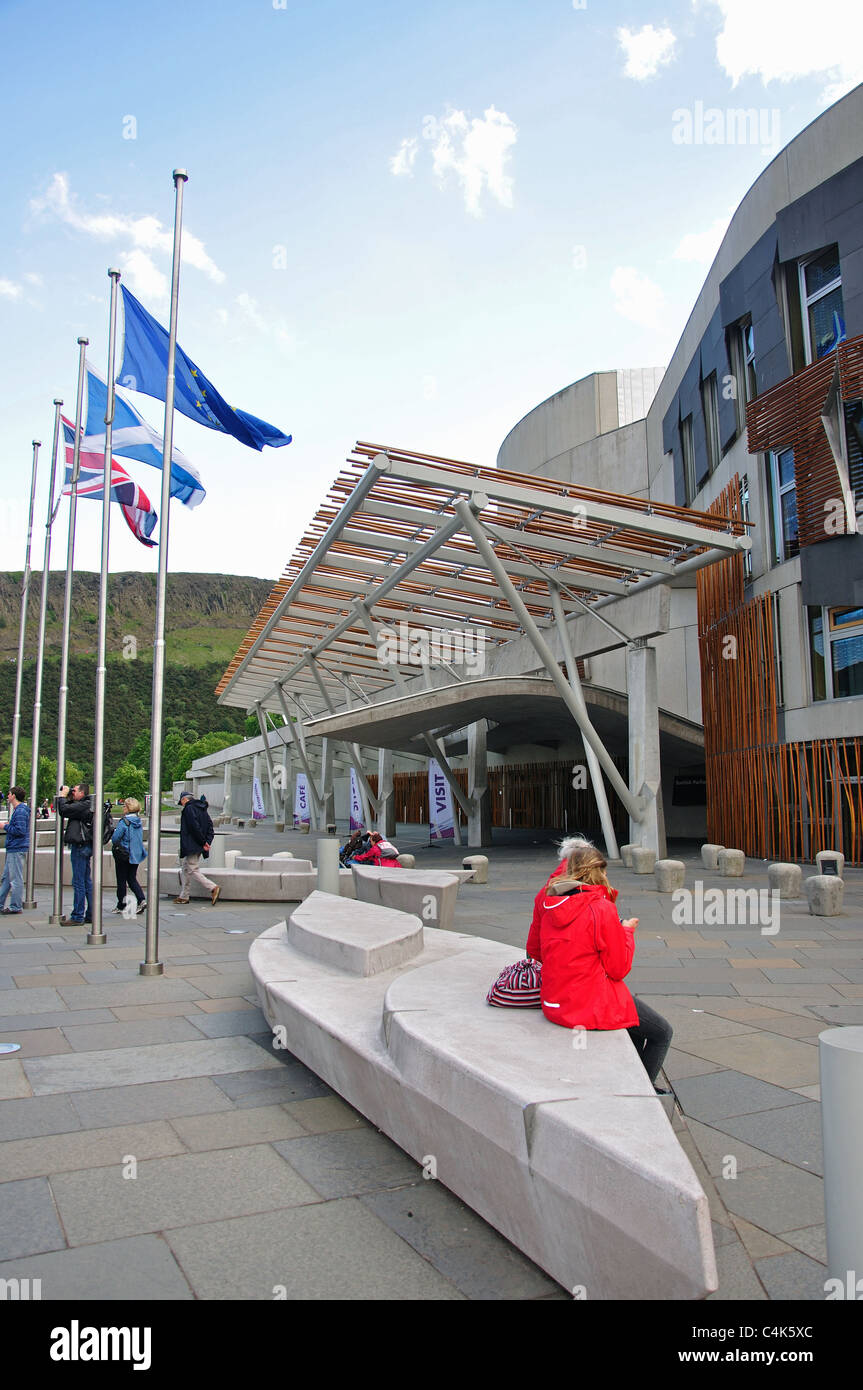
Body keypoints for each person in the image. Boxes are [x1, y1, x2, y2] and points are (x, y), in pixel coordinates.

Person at [525, 837, 673, 1092]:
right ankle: (644, 1092)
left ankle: (634, 1081)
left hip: (554, 1001)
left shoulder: (548, 902)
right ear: (597, 871)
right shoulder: (601, 908)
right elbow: (619, 968)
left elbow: (534, 951)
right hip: (585, 1006)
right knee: (661, 1032)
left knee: (634, 1027)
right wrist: (625, 931)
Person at [56, 783, 94, 925]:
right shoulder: (86, 804)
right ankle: (90, 914)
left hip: (80, 846)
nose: (73, 792)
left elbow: (64, 810)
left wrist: (62, 796)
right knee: (85, 881)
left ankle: (77, 916)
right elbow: (68, 807)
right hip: (84, 845)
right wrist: (67, 796)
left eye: (75, 790)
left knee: (79, 882)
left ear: (82, 793)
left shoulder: (84, 805)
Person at [176, 791, 220, 905]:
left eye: (181, 802)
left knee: (192, 869)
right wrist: (207, 842)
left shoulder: (188, 809)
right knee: (185, 867)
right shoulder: (202, 809)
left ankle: (213, 887)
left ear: (184, 800)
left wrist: (203, 842)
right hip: (199, 844)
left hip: (192, 844)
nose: (182, 804)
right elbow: (210, 827)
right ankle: (184, 896)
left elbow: (193, 827)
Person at [111, 797, 148, 915]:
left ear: (128, 808)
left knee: (121, 880)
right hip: (135, 854)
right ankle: (141, 899)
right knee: (131, 878)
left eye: (124, 806)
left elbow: (116, 838)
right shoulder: (138, 821)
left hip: (123, 854)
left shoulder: (124, 822)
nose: (123, 808)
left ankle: (121, 905)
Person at [0, 786, 30, 914]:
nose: (7, 796)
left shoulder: (20, 811)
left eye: (9, 794)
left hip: (16, 848)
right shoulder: (20, 810)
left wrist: (5, 826)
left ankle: (15, 906)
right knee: (6, 878)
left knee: (15, 878)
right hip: (15, 848)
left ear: (13, 796)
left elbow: (20, 831)